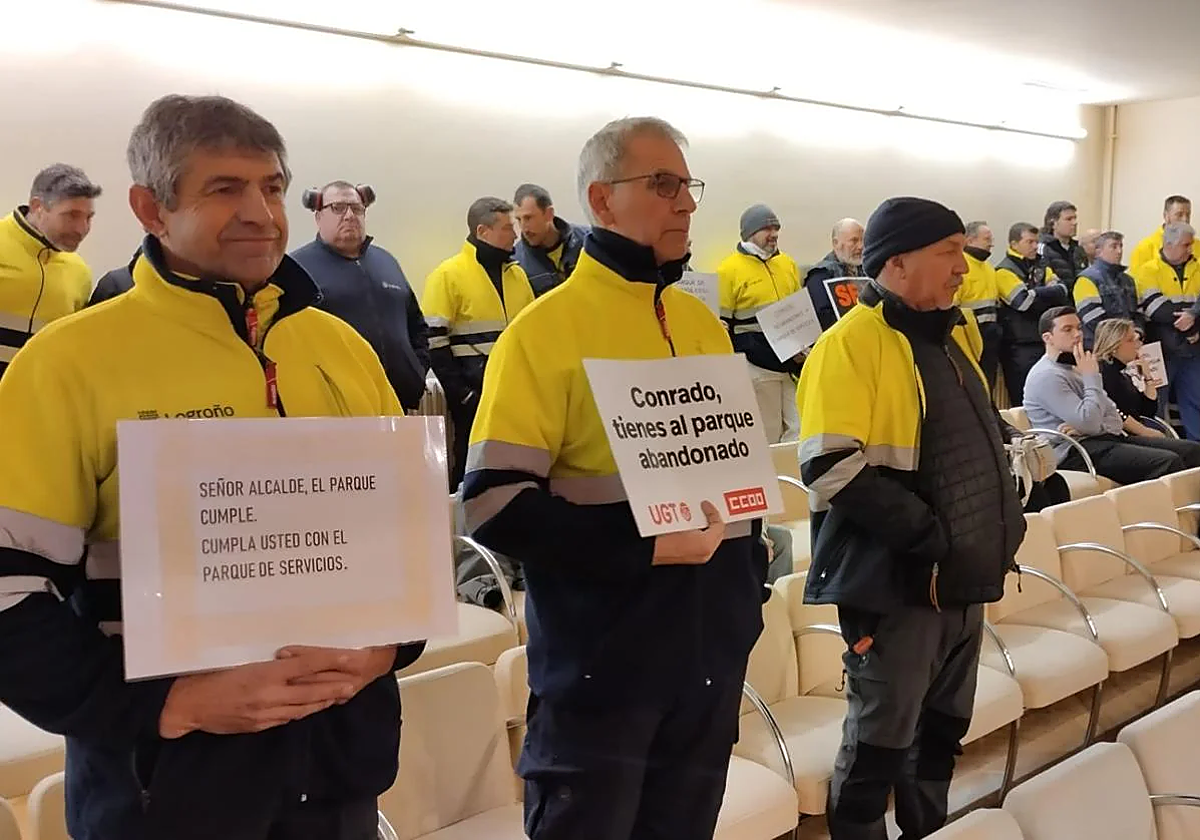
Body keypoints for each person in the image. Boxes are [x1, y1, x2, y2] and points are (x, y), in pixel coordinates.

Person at [0, 94, 426, 840]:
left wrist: (390, 647)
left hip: (339, 769)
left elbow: (406, 543)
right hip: (168, 789)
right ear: (150, 208)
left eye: (269, 185)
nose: (260, 211)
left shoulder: (340, 348)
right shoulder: (69, 363)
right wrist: (169, 707)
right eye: (224, 188)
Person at [464, 116, 767, 840]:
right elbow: (493, 508)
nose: (686, 203)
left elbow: (734, 479)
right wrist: (650, 544)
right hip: (603, 677)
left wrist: (743, 597)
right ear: (602, 202)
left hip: (707, 664)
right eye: (662, 185)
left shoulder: (699, 322)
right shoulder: (543, 332)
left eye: (687, 185)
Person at [798, 196, 1025, 840]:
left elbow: (975, 445)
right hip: (894, 585)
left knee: (942, 731)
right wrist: (934, 537)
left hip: (961, 578)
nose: (964, 266)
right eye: (948, 252)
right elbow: (832, 467)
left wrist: (1003, 519)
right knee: (879, 744)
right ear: (896, 263)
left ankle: (928, 829)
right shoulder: (850, 345)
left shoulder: (957, 335)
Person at [423, 197, 534, 489]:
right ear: (483, 231)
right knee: (472, 471)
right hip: (474, 397)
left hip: (517, 395)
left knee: (519, 470)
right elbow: (433, 342)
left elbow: (531, 334)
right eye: (507, 227)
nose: (515, 234)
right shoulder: (448, 275)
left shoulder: (518, 275)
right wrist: (462, 395)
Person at [291, 180, 431, 411]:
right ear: (318, 216)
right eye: (337, 208)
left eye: (356, 208)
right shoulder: (297, 269)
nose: (349, 216)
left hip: (398, 403)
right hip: (335, 408)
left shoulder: (386, 262)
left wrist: (416, 370)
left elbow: (416, 325)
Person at [1023, 307, 1200, 484]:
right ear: (1048, 338)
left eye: (1078, 328)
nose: (1077, 334)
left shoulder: (1077, 366)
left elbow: (1113, 416)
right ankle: (1153, 511)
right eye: (1068, 329)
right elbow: (1090, 423)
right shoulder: (1047, 375)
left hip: (1105, 439)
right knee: (1167, 461)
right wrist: (1091, 379)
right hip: (1075, 451)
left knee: (1192, 451)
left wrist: (1088, 425)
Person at [0, 164, 100, 377]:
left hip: (34, 401)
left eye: (88, 217)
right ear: (38, 206)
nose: (81, 229)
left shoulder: (79, 271)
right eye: (71, 215)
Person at [717, 204, 803, 443]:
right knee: (769, 433)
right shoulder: (728, 270)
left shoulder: (787, 264)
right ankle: (773, 480)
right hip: (756, 365)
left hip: (789, 363)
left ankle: (792, 478)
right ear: (749, 233)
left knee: (800, 429)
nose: (774, 233)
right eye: (767, 228)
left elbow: (800, 313)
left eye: (776, 227)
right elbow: (722, 324)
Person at [1132, 221, 1200, 438]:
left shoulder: (1197, 266)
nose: (1190, 249)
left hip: (1192, 351)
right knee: (1156, 405)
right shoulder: (1148, 270)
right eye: (1185, 245)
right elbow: (1157, 309)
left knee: (1195, 404)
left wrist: (1193, 317)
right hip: (1160, 351)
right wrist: (1191, 325)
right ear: (1169, 244)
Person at [997, 222, 1070, 406]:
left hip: (1042, 341)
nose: (1034, 246)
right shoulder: (1004, 271)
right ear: (1014, 244)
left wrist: (1035, 292)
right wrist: (1045, 292)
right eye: (1029, 242)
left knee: (1049, 396)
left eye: (1036, 242)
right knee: (1024, 401)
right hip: (1019, 346)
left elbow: (1062, 291)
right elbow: (1024, 303)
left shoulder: (1041, 265)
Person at [1092, 318, 1168, 437]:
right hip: (1122, 436)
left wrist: (1147, 378)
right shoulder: (1104, 372)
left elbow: (1147, 412)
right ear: (1114, 345)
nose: (1138, 345)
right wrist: (1144, 431)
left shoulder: (1122, 373)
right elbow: (1115, 412)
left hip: (1135, 433)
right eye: (1131, 340)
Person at [512, 183, 588, 296]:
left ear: (549, 214)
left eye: (528, 218)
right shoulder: (516, 263)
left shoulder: (588, 241)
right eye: (519, 220)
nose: (524, 228)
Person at [1072, 231, 1143, 346]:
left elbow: (1139, 313)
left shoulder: (1128, 280)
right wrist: (1121, 338)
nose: (1119, 251)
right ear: (1099, 251)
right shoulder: (1086, 279)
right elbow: (1092, 319)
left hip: (1127, 344)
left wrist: (1138, 332)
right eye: (1113, 246)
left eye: (1121, 246)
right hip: (1100, 347)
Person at [957, 220, 1001, 389]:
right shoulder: (961, 267)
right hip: (968, 339)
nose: (992, 243)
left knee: (988, 385)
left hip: (990, 338)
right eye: (987, 239)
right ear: (969, 240)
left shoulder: (988, 268)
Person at [806, 217, 866, 330]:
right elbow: (823, 318)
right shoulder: (820, 275)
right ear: (836, 243)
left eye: (863, 240)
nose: (861, 246)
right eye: (854, 240)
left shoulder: (866, 270)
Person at [1129, 195, 1200, 271]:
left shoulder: (1197, 246)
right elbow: (1136, 281)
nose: (1185, 220)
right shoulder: (1143, 249)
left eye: (1188, 215)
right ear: (1166, 216)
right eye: (1179, 215)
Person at [1039, 200, 1089, 290]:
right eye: (1069, 219)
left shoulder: (1078, 249)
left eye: (1075, 218)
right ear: (1053, 223)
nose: (1074, 223)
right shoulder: (1043, 248)